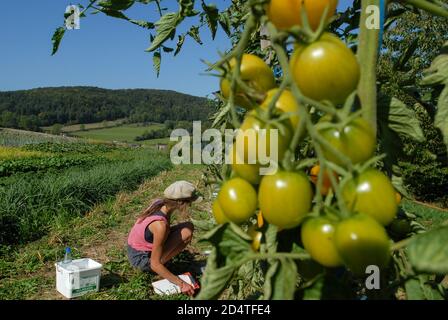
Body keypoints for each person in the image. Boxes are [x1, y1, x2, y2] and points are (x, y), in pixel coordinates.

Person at [127, 180, 201, 296]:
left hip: (134, 249)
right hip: (141, 259)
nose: (190, 205)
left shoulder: (159, 203)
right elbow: (154, 264)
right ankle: (162, 267)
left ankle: (162, 260)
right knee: (186, 234)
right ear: (181, 203)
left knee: (188, 227)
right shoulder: (160, 225)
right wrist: (182, 284)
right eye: (189, 203)